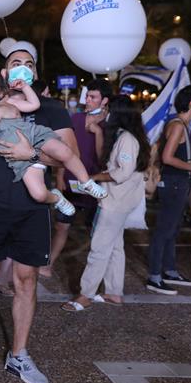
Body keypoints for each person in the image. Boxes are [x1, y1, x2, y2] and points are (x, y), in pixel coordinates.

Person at [0, 41, 71, 383]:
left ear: (34, 72)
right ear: (5, 73)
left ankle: (19, 355)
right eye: (14, 62)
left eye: (28, 63)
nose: (22, 66)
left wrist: (29, 150)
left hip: (31, 207)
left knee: (26, 280)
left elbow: (66, 156)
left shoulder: (51, 108)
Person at [0, 71, 106, 215]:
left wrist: (25, 87)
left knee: (65, 152)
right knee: (39, 194)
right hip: (19, 159)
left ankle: (86, 182)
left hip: (34, 136)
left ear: (1, 92)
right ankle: (56, 198)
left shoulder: (7, 103)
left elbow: (34, 105)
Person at [61, 96, 150, 311]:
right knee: (116, 247)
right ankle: (113, 292)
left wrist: (95, 178)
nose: (105, 113)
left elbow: (122, 172)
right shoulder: (126, 136)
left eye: (107, 109)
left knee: (99, 248)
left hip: (115, 202)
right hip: (119, 200)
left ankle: (85, 295)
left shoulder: (127, 138)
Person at [43, 79, 112, 278]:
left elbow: (103, 157)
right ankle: (48, 264)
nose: (88, 100)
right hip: (71, 182)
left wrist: (98, 131)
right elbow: (64, 149)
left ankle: (97, 275)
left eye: (93, 97)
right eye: (87, 96)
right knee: (61, 225)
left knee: (95, 231)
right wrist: (60, 176)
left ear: (104, 100)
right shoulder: (76, 118)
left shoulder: (109, 124)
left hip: (93, 184)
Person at [145, 85, 191, 295]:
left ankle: (170, 270)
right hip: (173, 183)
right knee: (164, 230)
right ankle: (154, 276)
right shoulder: (178, 125)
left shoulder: (180, 124)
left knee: (173, 229)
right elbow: (167, 157)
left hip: (177, 183)